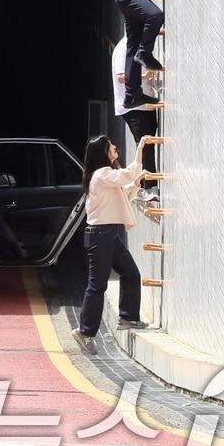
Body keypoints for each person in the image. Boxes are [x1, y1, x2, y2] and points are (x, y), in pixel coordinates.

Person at [72, 134, 151, 355]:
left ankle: (127, 317)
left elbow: (123, 194)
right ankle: (84, 331)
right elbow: (125, 175)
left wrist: (135, 183)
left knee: (131, 273)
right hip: (100, 235)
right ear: (103, 153)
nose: (115, 148)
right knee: (97, 285)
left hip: (107, 234)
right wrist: (140, 149)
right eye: (111, 147)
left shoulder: (104, 177)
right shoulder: (102, 174)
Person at [112, 34, 160, 176]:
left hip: (144, 102)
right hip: (132, 106)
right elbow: (120, 77)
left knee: (149, 139)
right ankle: (148, 186)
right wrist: (144, 77)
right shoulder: (124, 48)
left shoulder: (135, 43)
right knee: (145, 144)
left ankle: (145, 183)